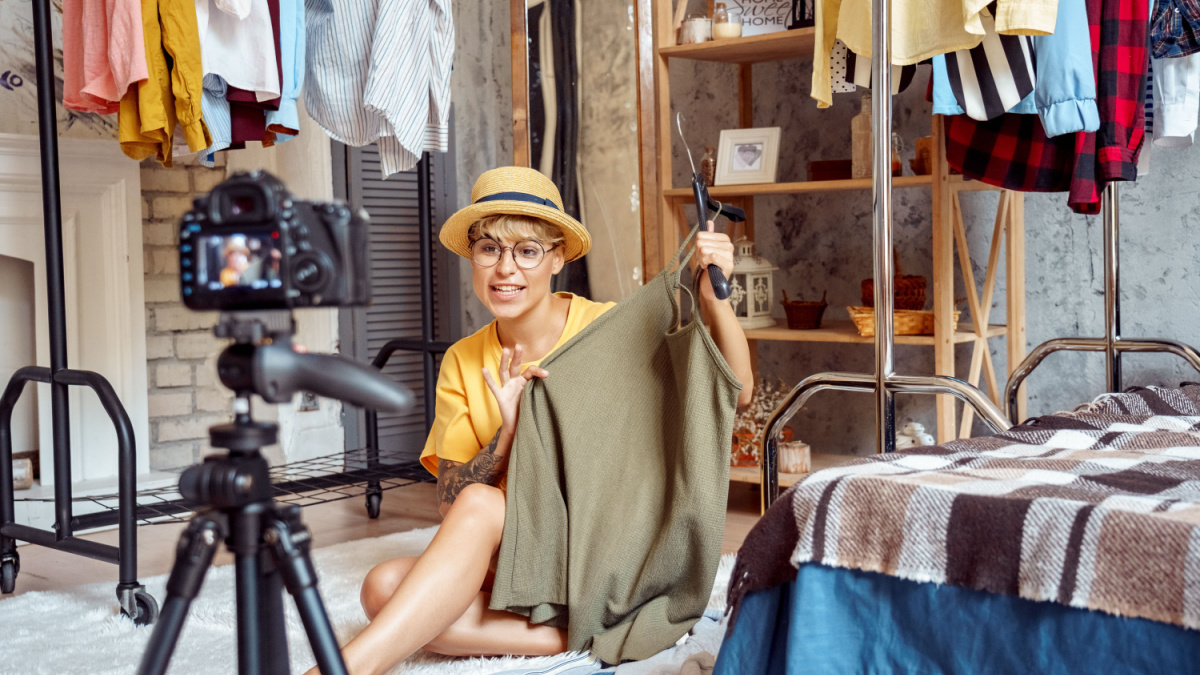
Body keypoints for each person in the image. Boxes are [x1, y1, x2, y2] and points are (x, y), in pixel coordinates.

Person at [307, 167, 753, 675]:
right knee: (380, 589)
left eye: (527, 251)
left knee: (476, 509)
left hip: (603, 552)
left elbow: (737, 394)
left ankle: (338, 671)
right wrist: (510, 433)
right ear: (471, 257)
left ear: (558, 256)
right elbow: (450, 506)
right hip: (526, 566)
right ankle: (581, 635)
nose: (505, 269)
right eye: (490, 249)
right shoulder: (461, 360)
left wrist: (717, 301)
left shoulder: (606, 330)